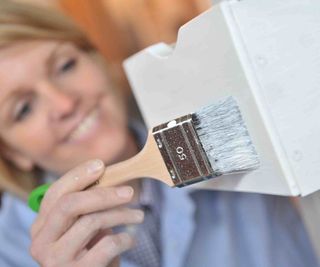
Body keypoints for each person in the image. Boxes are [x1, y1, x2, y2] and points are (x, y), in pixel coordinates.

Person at [0, 2, 318, 267]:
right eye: (23, 109)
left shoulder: (208, 105)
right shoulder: (9, 254)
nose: (65, 103)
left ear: (97, 61)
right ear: (12, 153)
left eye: (66, 65)